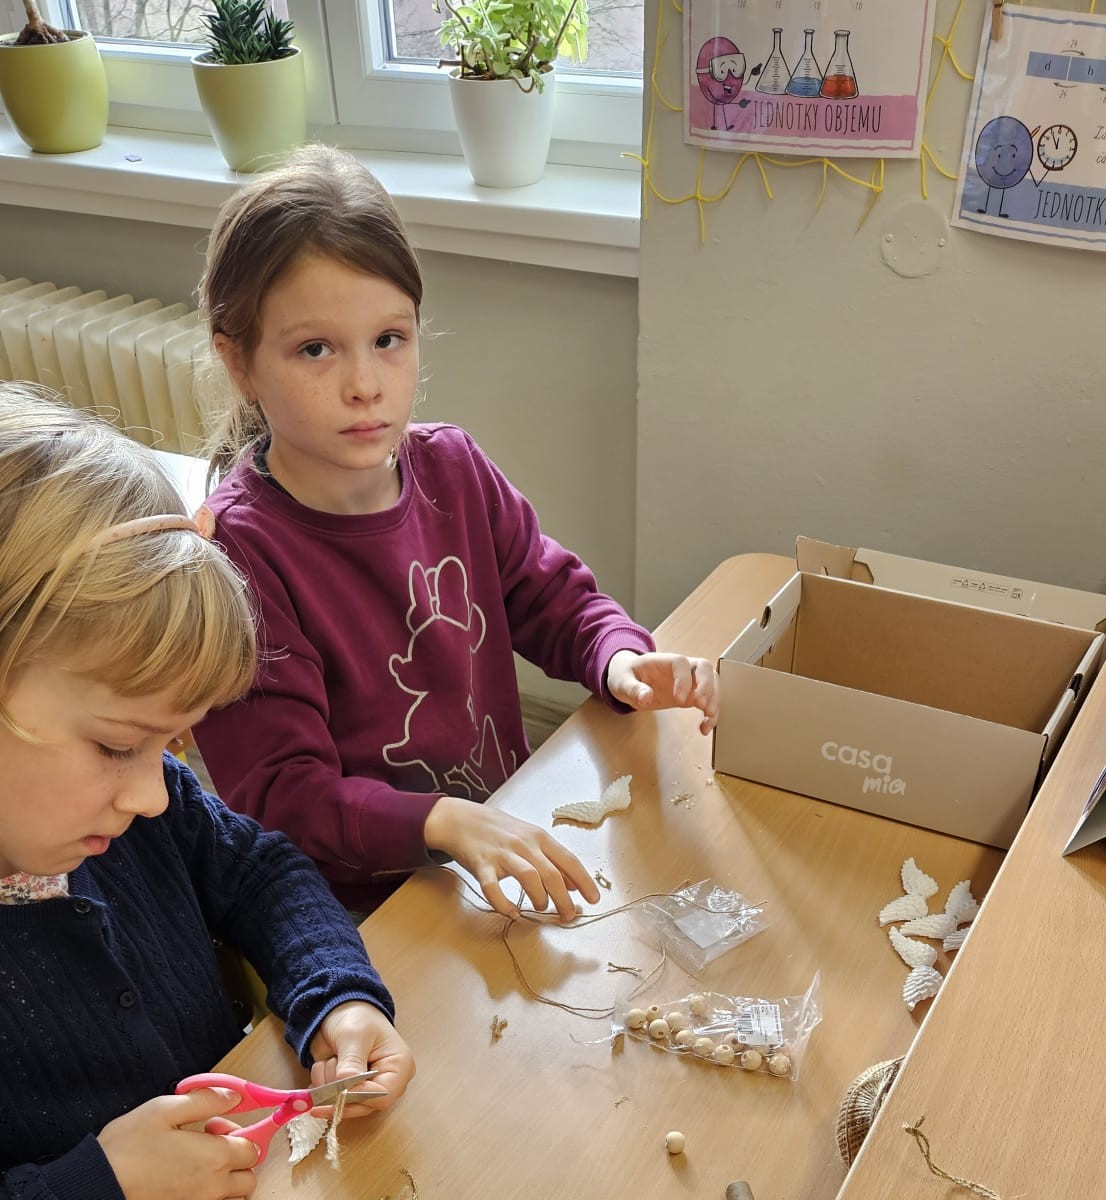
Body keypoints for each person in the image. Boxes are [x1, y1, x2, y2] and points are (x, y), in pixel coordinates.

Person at [193, 145, 718, 922]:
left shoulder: (454, 467)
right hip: (367, 907)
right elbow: (285, 795)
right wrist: (441, 822)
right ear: (238, 363)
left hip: (498, 842)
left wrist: (620, 659)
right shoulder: (239, 558)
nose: (365, 384)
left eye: (389, 339)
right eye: (315, 349)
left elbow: (552, 598)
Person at [0, 384, 415, 1200]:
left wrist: (335, 994)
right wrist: (92, 1195)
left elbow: (263, 872)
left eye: (172, 747)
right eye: (117, 746)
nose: (154, 794)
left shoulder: (136, 815)